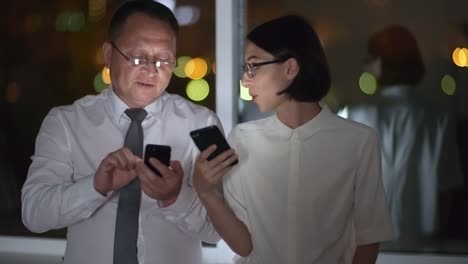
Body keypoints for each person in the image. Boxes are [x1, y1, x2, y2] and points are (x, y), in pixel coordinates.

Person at [21, 1, 220, 263]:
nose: (151, 70)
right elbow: (33, 215)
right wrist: (94, 187)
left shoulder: (203, 124)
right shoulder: (65, 122)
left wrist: (176, 198)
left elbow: (220, 231)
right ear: (108, 55)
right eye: (138, 57)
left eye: (163, 59)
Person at [193, 15, 393, 264]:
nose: (245, 80)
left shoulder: (358, 142)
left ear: (290, 68)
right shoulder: (242, 139)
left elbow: (368, 240)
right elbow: (243, 245)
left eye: (253, 66)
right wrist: (205, 191)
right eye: (245, 68)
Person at [338, 25, 463, 241]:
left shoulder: (354, 115)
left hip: (364, 245)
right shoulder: (439, 117)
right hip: (424, 245)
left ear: (379, 62)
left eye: (370, 60)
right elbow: (447, 188)